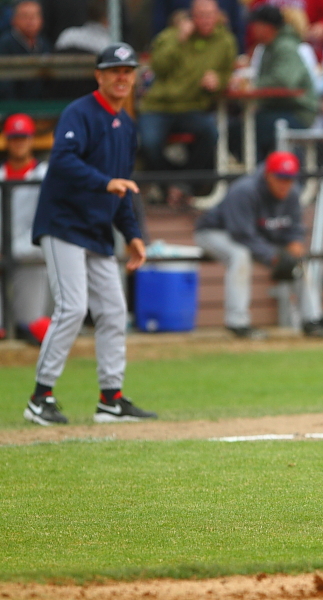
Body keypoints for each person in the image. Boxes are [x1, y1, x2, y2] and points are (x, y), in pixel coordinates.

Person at [25, 42, 156, 426]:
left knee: (115, 311)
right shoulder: (79, 112)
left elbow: (123, 187)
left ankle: (110, 399)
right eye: (114, 70)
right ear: (98, 75)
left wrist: (131, 233)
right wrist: (105, 183)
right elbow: (62, 161)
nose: (122, 77)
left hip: (97, 228)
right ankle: (39, 397)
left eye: (128, 71)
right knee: (72, 308)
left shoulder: (127, 125)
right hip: (64, 223)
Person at [194, 151, 323, 339]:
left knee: (298, 262)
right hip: (214, 232)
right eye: (280, 178)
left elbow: (294, 226)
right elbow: (241, 234)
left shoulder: (293, 192)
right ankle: (238, 323)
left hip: (258, 235)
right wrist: (272, 255)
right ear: (267, 175)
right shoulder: (245, 190)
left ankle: (312, 320)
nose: (285, 184)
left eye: (289, 179)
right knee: (240, 256)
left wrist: (295, 243)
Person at [138, 0, 237, 198]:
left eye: (211, 14)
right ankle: (172, 181)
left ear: (218, 15)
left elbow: (228, 72)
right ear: (192, 15)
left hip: (193, 108)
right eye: (201, 15)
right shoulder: (169, 36)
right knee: (148, 143)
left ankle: (184, 183)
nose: (207, 19)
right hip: (159, 107)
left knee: (211, 132)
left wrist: (219, 81)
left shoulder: (225, 41)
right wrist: (179, 39)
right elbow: (158, 66)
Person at [241, 5, 319, 160]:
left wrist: (253, 86)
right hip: (278, 109)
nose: (252, 29)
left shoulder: (285, 47)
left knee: (254, 127)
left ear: (267, 27)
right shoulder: (267, 48)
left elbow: (284, 82)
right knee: (244, 126)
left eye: (255, 24)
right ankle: (263, 173)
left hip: (299, 111)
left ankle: (264, 173)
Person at [0, 113, 51, 345]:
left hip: (32, 253)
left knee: (33, 324)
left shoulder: (46, 174)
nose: (19, 143)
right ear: (7, 140)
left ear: (31, 139)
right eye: (14, 138)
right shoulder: (1, 174)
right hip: (2, 250)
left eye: (23, 137)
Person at [153, 0, 246, 53]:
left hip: (216, 55)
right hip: (181, 53)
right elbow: (158, 28)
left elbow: (237, 27)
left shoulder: (226, 40)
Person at [0, 0, 50, 100]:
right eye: (25, 16)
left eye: (35, 16)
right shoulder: (5, 44)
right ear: (13, 20)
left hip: (40, 107)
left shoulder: (44, 44)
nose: (30, 21)